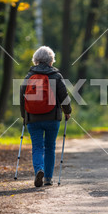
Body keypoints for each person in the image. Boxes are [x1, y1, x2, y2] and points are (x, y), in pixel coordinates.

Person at [20, 46, 72, 187]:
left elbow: (22, 98)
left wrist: (24, 116)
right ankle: (48, 178)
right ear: (51, 61)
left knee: (37, 147)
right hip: (52, 118)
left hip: (33, 119)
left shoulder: (29, 77)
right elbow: (64, 97)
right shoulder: (56, 76)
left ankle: (39, 170)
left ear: (36, 60)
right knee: (50, 147)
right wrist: (67, 111)